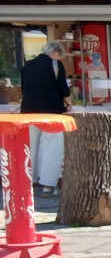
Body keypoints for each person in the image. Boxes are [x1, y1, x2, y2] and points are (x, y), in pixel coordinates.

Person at [20, 42, 72, 195]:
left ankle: (31, 180)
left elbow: (23, 89)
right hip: (52, 112)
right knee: (52, 147)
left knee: (30, 147)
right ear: (55, 53)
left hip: (29, 112)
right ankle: (48, 185)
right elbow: (64, 88)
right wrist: (69, 104)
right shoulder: (56, 65)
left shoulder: (27, 65)